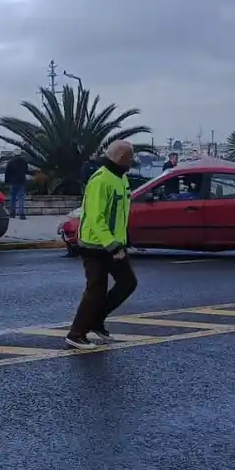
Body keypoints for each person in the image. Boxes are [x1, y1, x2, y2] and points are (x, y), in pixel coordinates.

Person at [66, 140, 138, 350]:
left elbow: (119, 213)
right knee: (96, 290)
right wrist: (112, 245)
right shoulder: (100, 180)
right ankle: (76, 334)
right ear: (122, 159)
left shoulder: (121, 178)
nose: (133, 162)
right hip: (94, 244)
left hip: (113, 243)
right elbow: (97, 217)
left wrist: (123, 239)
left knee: (128, 283)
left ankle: (96, 320)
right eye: (130, 158)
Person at [4, 153, 29, 219]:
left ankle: (12, 214)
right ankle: (22, 214)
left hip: (12, 182)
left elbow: (7, 173)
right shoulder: (24, 162)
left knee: (12, 198)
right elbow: (26, 170)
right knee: (21, 198)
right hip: (21, 182)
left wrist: (6, 182)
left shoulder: (10, 162)